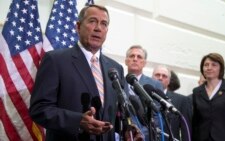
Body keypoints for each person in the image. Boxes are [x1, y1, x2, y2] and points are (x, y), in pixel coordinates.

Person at [29, 5, 142, 141]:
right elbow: (39, 109)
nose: (98, 28)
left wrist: (126, 130)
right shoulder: (55, 60)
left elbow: (114, 114)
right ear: (78, 26)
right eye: (92, 21)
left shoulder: (115, 68)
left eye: (104, 24)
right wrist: (78, 121)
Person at [124, 45, 164, 141]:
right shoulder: (118, 82)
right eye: (132, 56)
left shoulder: (154, 84)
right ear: (126, 61)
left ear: (144, 63)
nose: (135, 59)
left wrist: (141, 134)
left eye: (139, 57)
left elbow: (157, 116)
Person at [152, 65, 192, 141]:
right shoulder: (143, 96)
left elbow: (186, 131)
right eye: (157, 75)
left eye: (164, 76)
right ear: (152, 78)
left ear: (169, 81)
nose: (160, 78)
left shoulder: (182, 100)